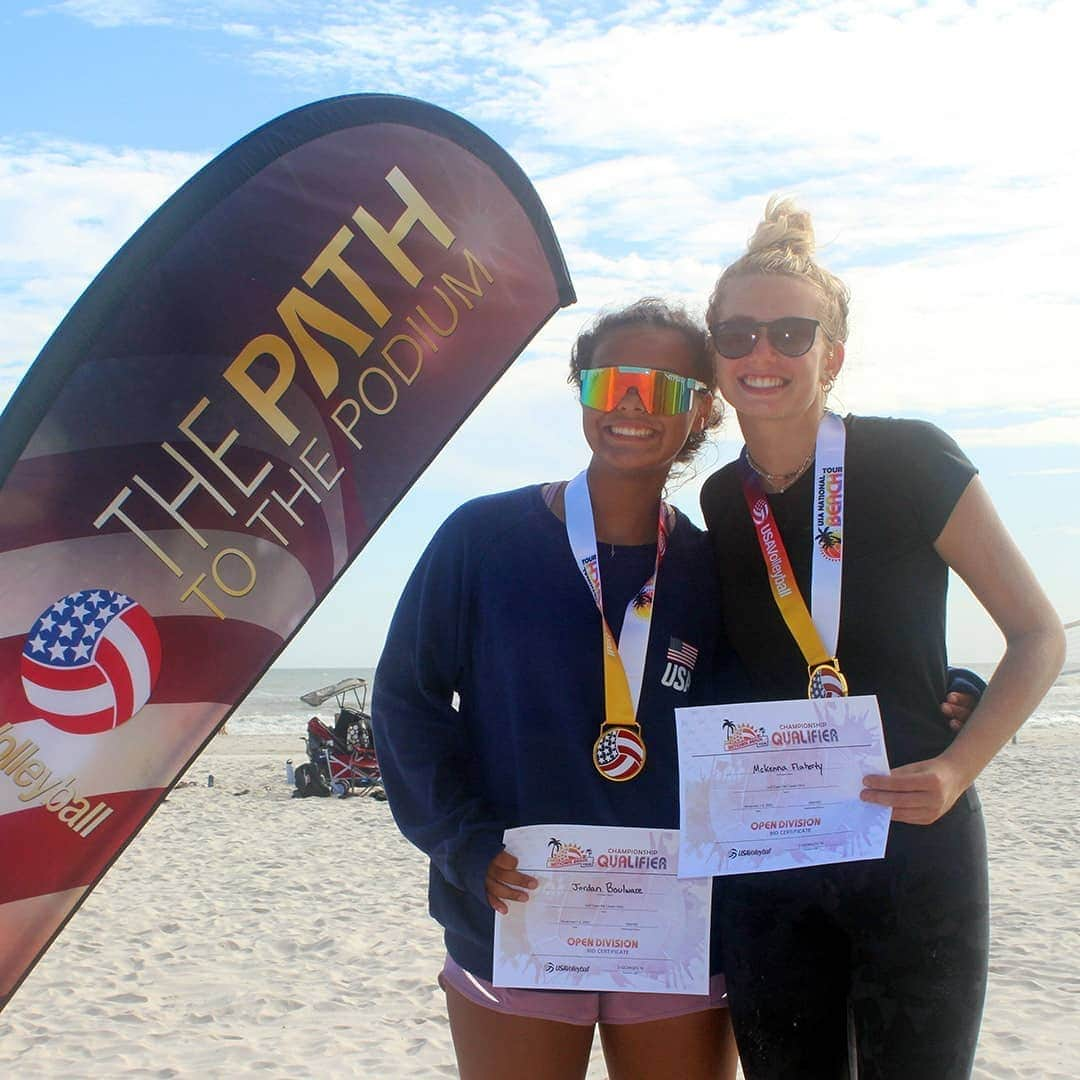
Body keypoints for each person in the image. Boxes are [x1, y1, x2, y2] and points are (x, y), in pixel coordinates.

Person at [698, 197, 1066, 1079]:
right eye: (739, 333)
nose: (764, 353)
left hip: (913, 837)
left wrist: (956, 766)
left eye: (793, 333)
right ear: (714, 351)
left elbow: (1038, 635)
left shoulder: (910, 459)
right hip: (773, 854)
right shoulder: (719, 499)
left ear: (834, 354)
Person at [372, 299, 740, 1080]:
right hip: (513, 908)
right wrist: (463, 844)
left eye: (665, 386)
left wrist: (936, 688)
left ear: (703, 406)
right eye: (612, 381)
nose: (633, 404)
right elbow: (407, 700)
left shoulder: (714, 568)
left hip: (676, 925)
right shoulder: (482, 537)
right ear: (582, 390)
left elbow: (776, 705)